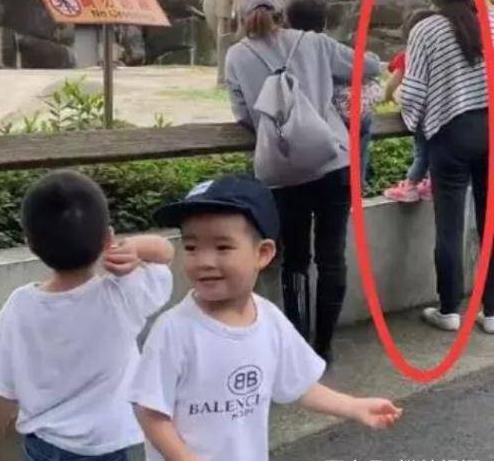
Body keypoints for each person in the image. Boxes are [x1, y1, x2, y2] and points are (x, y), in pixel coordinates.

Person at [130, 176, 402, 461]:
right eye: (191, 247)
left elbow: (299, 385)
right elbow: (149, 411)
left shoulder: (269, 320)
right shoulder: (174, 330)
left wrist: (353, 407)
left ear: (263, 253)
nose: (204, 261)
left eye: (222, 247)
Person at [225, 0, 381, 363]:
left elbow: (243, 114)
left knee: (294, 259)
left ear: (242, 15)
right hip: (333, 163)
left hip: (282, 173)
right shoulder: (314, 43)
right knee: (331, 258)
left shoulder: (236, 55)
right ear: (283, 12)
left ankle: (297, 346)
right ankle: (324, 346)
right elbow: (371, 65)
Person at [0, 170, 174, 460]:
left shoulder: (21, 305)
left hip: (44, 444)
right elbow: (166, 253)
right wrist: (134, 248)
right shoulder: (123, 294)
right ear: (108, 238)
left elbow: (3, 379)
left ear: (29, 243)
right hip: (107, 444)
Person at [400, 0, 493, 334]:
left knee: (449, 226)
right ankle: (491, 313)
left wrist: (413, 124)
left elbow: (414, 92)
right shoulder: (490, 19)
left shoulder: (426, 30)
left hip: (450, 136)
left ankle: (450, 309)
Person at [285, 0, 383, 189]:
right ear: (324, 23)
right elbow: (370, 66)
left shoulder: (278, 43)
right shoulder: (322, 43)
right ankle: (357, 181)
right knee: (363, 121)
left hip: (289, 127)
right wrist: (368, 54)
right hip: (327, 126)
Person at [383, 9, 437, 203]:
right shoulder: (438, 54)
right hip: (440, 112)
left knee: (422, 151)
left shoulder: (406, 56)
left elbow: (393, 82)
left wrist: (387, 97)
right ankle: (431, 184)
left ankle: (411, 186)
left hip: (420, 113)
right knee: (435, 150)